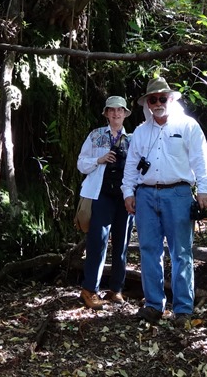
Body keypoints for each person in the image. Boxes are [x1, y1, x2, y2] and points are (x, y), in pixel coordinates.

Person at [121, 77, 207, 327]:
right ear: (147, 103)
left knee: (181, 252)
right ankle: (153, 305)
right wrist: (128, 193)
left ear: (171, 99)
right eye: (153, 99)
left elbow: (201, 158)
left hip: (179, 194)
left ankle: (183, 308)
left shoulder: (187, 126)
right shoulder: (141, 131)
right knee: (149, 250)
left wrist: (204, 190)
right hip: (146, 194)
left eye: (163, 98)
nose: (158, 103)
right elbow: (131, 165)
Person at [76, 95, 135, 310]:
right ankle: (90, 289)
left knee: (122, 242)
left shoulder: (133, 139)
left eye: (120, 110)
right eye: (112, 110)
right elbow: (81, 164)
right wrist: (99, 160)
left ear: (125, 114)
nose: (116, 114)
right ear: (107, 113)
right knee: (97, 240)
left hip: (124, 195)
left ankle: (116, 289)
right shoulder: (96, 136)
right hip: (100, 194)